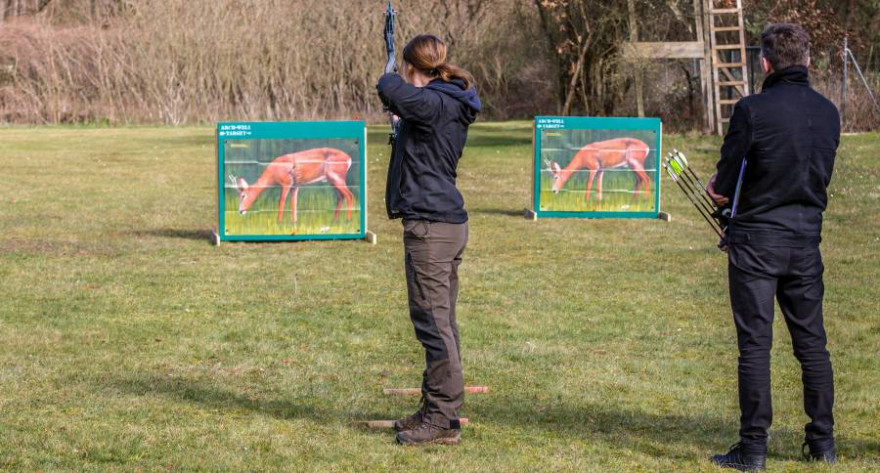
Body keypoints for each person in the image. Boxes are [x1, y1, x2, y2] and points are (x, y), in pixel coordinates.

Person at [706, 23, 840, 471]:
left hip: (758, 241)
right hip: (804, 240)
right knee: (812, 344)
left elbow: (726, 178)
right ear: (806, 61)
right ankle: (822, 443)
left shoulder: (752, 109)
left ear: (765, 63)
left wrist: (718, 188)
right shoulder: (828, 113)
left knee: (755, 346)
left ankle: (754, 449)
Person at [376, 34, 481, 446]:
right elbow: (403, 101)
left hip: (432, 230)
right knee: (440, 323)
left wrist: (389, 76)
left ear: (413, 68)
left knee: (434, 326)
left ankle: (442, 420)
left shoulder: (435, 102)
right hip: (443, 225)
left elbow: (392, 91)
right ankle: (433, 407)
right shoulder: (444, 101)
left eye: (406, 68)